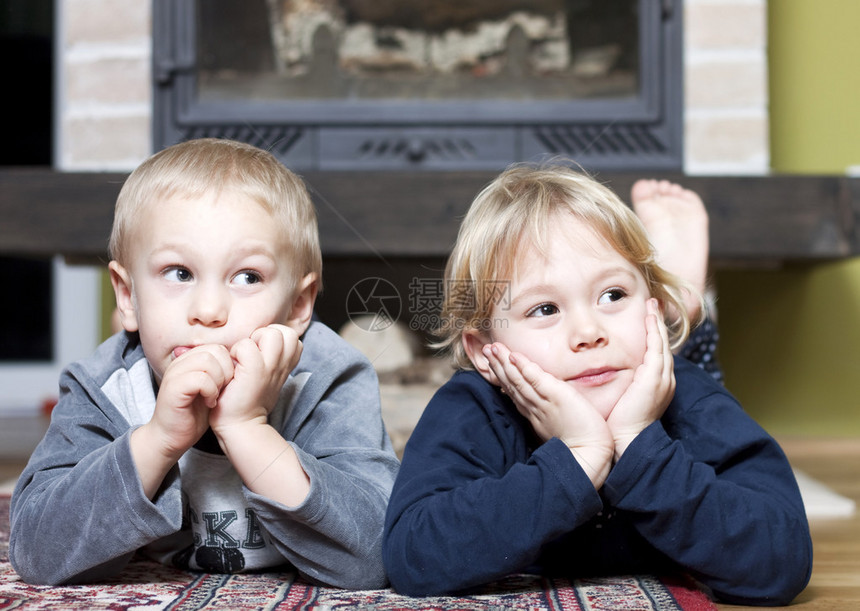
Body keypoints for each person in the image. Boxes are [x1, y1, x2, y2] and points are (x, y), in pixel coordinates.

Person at [381, 162, 811, 606]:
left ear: (648, 303)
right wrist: (577, 459)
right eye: (545, 309)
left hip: (663, 364)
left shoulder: (692, 399)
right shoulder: (473, 408)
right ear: (485, 350)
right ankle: (681, 306)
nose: (588, 331)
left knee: (690, 365)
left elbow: (783, 559)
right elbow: (412, 556)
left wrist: (638, 446)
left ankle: (683, 312)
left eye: (613, 295)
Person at [9, 138, 400, 588]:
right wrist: (158, 440)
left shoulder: (327, 378)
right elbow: (36, 551)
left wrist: (247, 429)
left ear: (297, 307)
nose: (209, 310)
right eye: (179, 273)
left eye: (247, 277)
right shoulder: (105, 386)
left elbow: (378, 554)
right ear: (128, 295)